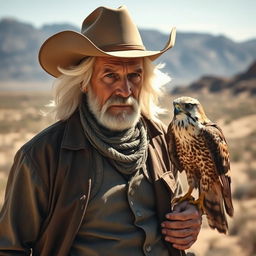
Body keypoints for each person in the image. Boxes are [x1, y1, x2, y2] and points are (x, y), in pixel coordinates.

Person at [0, 5, 202, 256]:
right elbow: (9, 249)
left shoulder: (162, 139)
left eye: (135, 76)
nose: (125, 90)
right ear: (84, 82)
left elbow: (177, 207)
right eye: (110, 76)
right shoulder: (42, 156)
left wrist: (189, 218)